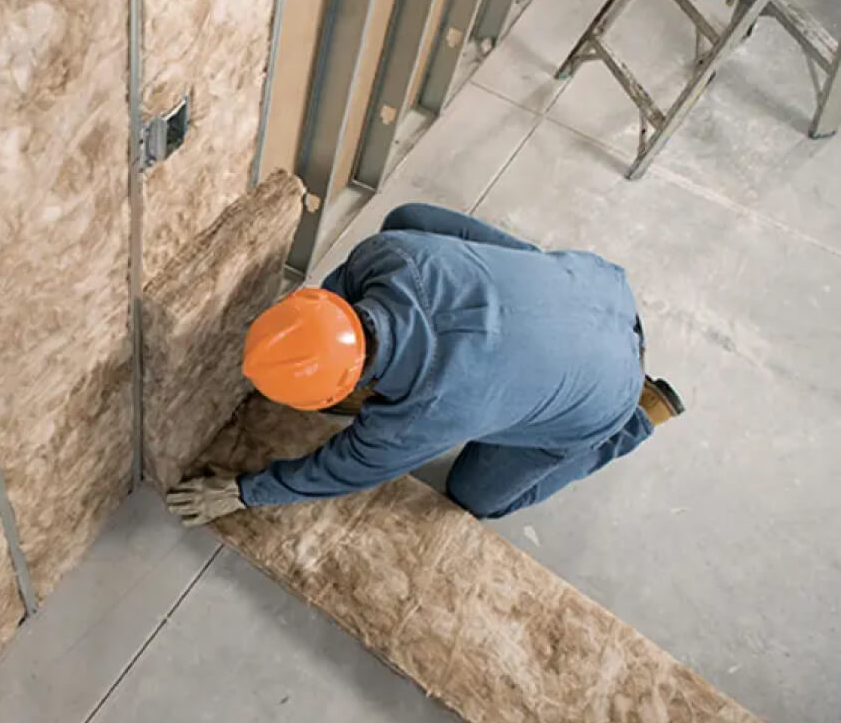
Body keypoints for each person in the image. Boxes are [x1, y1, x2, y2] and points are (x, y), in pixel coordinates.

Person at [166, 203, 684, 527]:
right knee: (414, 223)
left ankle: (636, 420)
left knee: (472, 496)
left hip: (606, 394)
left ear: (340, 392)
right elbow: (412, 223)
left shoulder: (420, 415)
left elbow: (340, 470)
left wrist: (244, 492)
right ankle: (533, 287)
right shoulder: (389, 254)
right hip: (602, 289)